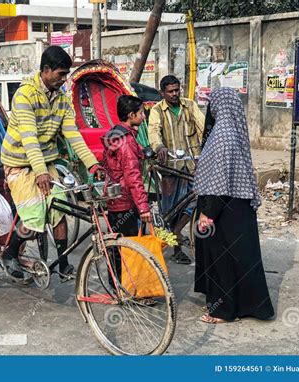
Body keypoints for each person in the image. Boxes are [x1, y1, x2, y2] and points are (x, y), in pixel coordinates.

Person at [0, 46, 105, 279]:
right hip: (19, 163)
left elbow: (73, 134)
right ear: (46, 70)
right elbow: (29, 138)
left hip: (44, 162)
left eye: (66, 74)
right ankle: (9, 252)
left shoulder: (62, 98)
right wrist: (40, 172)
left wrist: (93, 164)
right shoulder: (25, 94)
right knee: (35, 215)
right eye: (61, 74)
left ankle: (62, 262)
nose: (64, 79)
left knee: (60, 210)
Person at [194, 87, 274, 324]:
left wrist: (208, 213)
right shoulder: (235, 132)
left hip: (222, 208)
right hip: (238, 208)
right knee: (241, 258)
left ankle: (223, 310)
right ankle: (246, 305)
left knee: (222, 260)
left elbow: (220, 179)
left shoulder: (221, 135)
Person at [148, 75, 205, 264]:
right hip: (170, 167)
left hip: (192, 165)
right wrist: (159, 147)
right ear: (162, 93)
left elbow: (203, 126)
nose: (174, 94)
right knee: (170, 209)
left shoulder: (190, 105)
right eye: (170, 91)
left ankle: (175, 232)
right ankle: (176, 249)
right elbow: (154, 132)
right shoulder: (157, 111)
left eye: (177, 90)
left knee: (196, 199)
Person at [101, 95, 152, 285]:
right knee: (129, 247)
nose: (144, 117)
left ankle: (118, 285)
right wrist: (143, 207)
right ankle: (129, 288)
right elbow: (132, 176)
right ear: (131, 115)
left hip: (114, 198)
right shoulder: (126, 140)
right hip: (126, 200)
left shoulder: (116, 134)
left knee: (117, 246)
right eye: (141, 113)